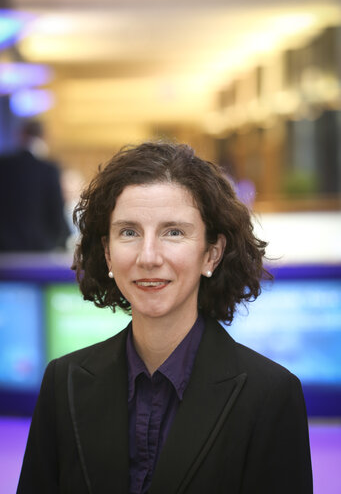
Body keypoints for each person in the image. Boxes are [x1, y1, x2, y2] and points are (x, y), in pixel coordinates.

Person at [17, 142, 313, 494]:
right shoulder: (62, 382)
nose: (148, 256)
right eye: (129, 232)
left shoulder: (270, 395)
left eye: (173, 232)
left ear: (211, 254)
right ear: (108, 253)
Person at [0, 120, 70, 251]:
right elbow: (56, 210)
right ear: (44, 137)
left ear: (21, 135)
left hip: (4, 249)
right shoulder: (48, 169)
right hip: (38, 248)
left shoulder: (3, 165)